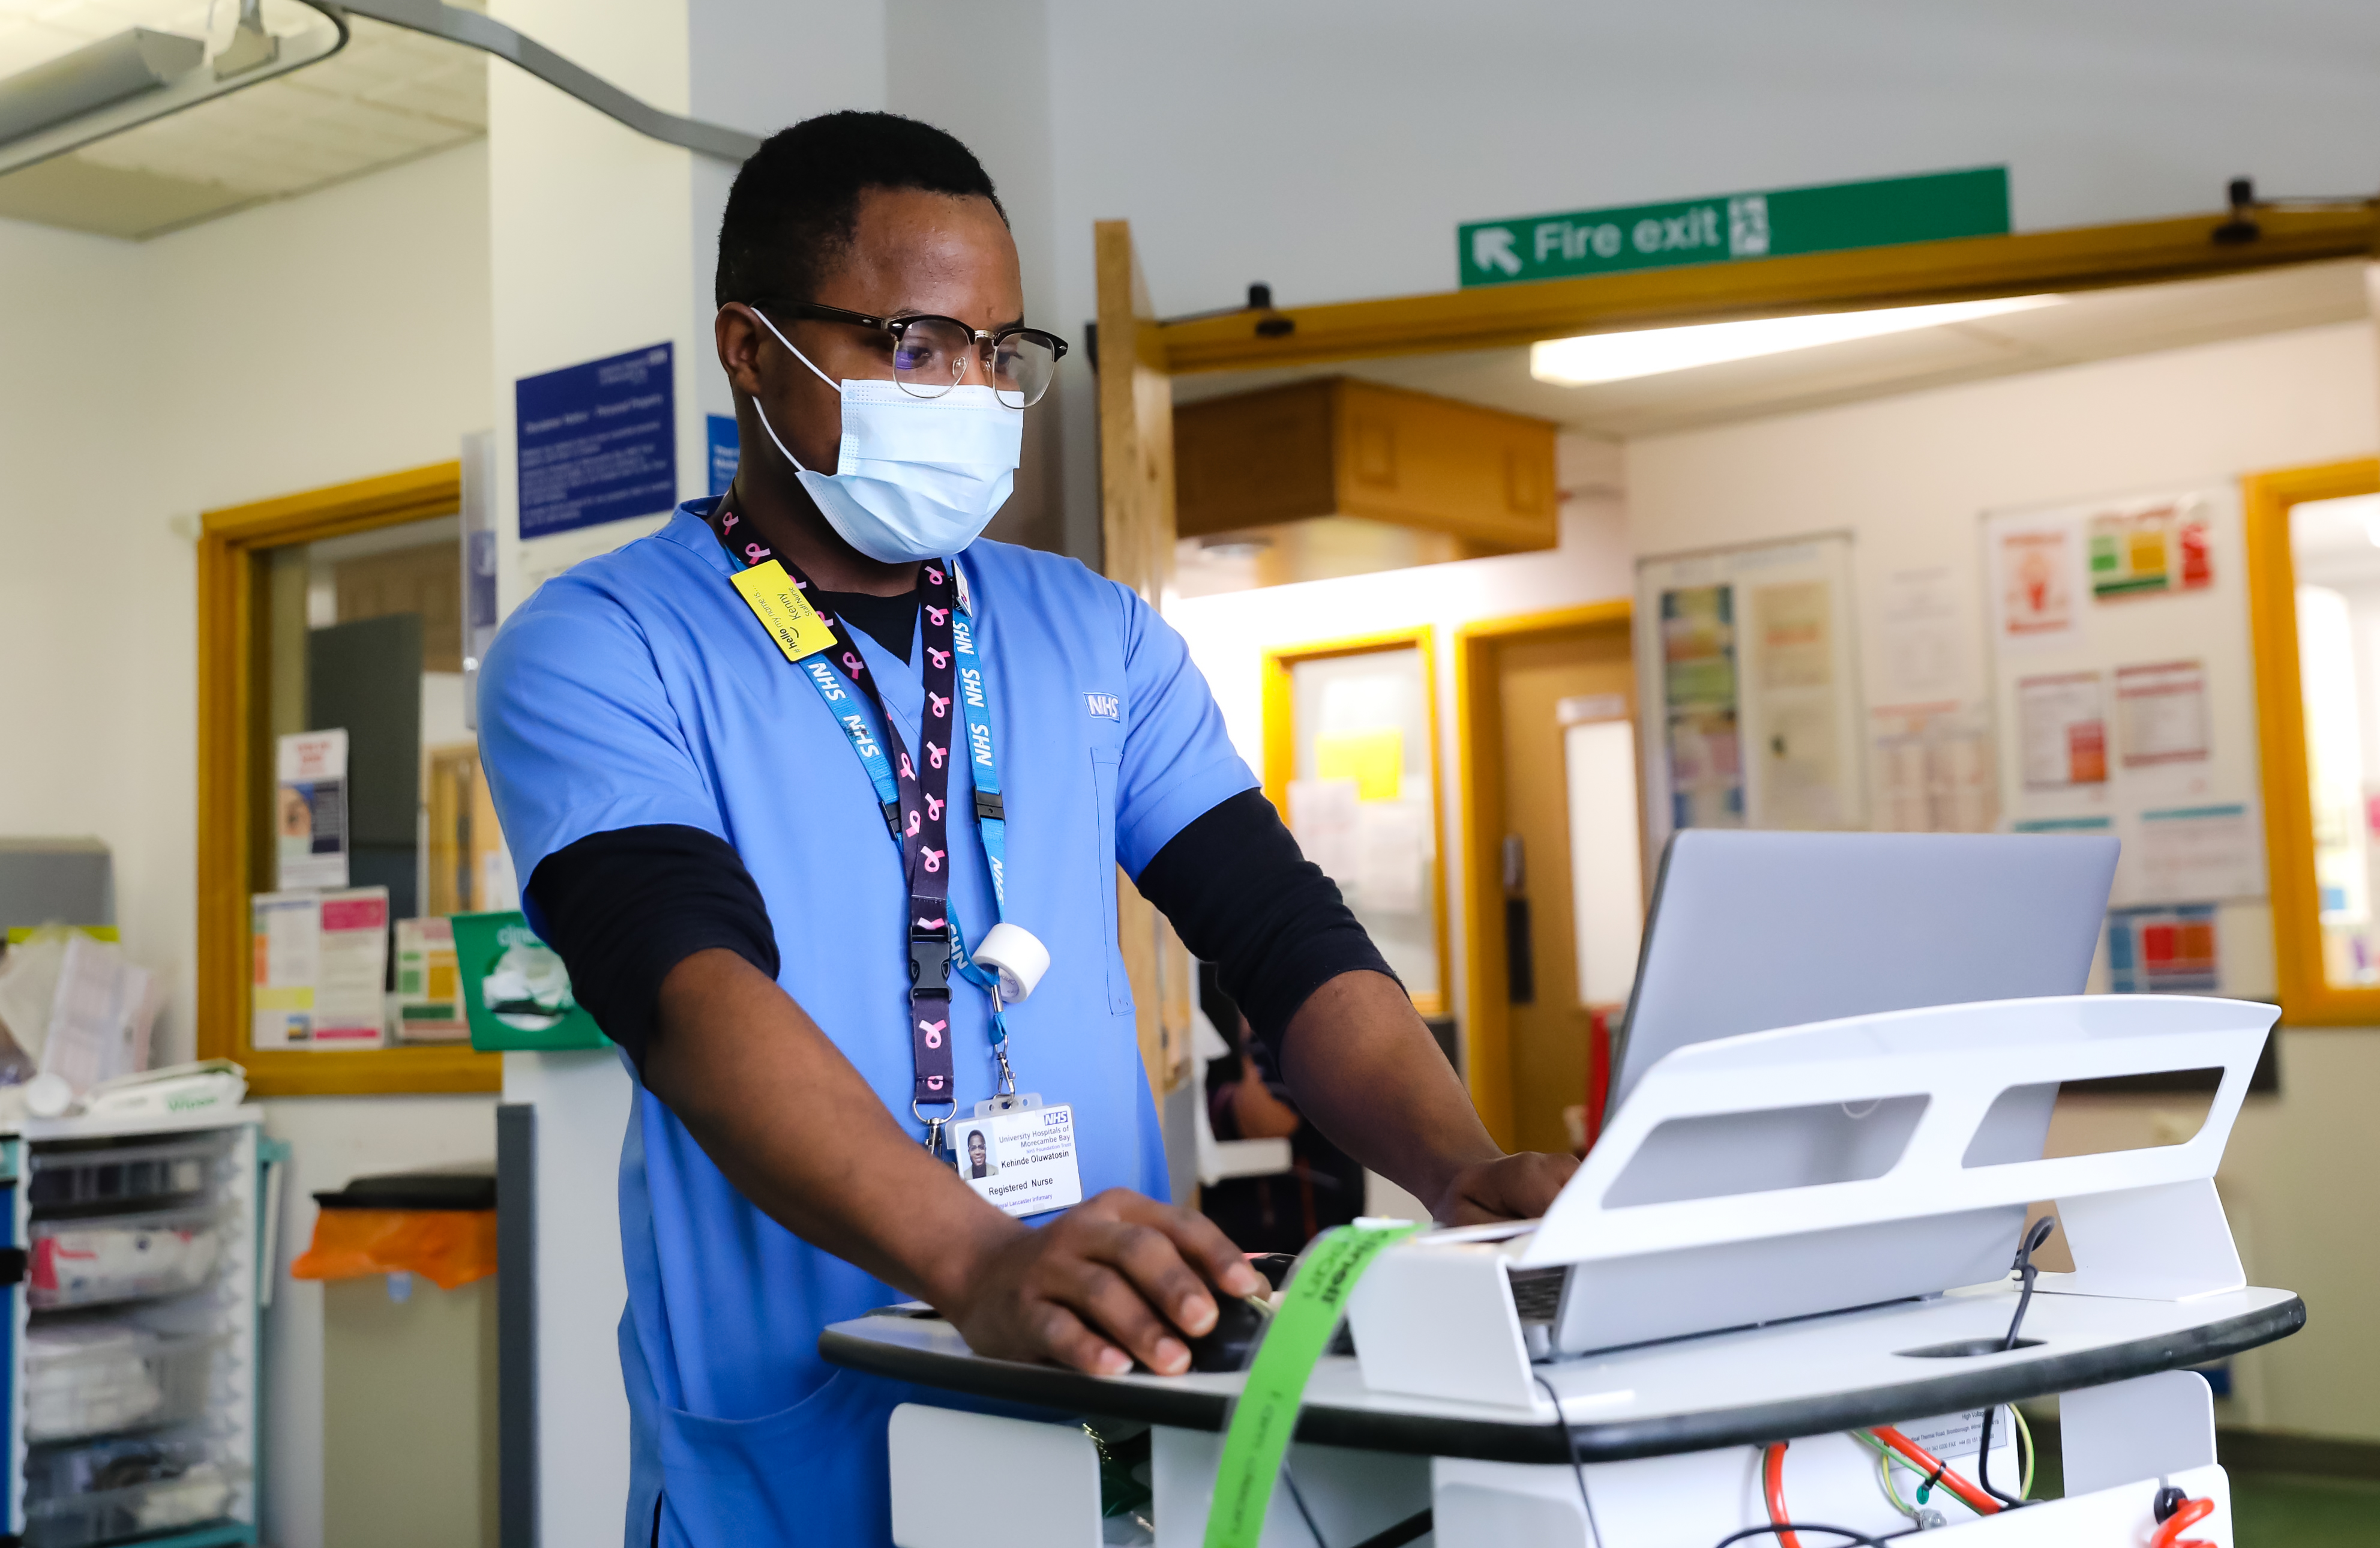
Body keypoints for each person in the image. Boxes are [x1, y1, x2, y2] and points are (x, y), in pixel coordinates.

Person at [478, 110, 1576, 1548]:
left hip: (1110, 1400)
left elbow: (1276, 928)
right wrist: (977, 1254)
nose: (974, 393)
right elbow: (686, 992)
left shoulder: (1091, 632)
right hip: (801, 1447)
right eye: (915, 344)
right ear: (751, 348)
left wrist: (1458, 1166)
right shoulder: (605, 643)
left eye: (1000, 353)